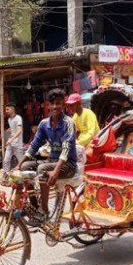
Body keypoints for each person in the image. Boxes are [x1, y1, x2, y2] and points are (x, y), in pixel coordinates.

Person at [17, 89, 77, 221]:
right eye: (52, 103)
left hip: (68, 165)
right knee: (25, 167)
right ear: (48, 105)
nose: (55, 106)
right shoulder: (44, 124)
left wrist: (55, 171)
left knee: (42, 169)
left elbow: (67, 148)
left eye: (58, 103)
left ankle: (44, 211)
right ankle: (34, 205)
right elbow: (34, 145)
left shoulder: (68, 123)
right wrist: (19, 164)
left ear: (63, 105)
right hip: (52, 161)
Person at [2, 103, 25, 175]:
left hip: (17, 144)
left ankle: (24, 176)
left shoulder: (18, 118)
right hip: (10, 143)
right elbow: (14, 129)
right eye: (6, 109)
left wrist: (11, 139)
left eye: (7, 109)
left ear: (12, 109)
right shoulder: (9, 119)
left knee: (21, 161)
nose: (6, 111)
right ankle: (5, 175)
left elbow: (19, 130)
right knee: (6, 160)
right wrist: (8, 131)